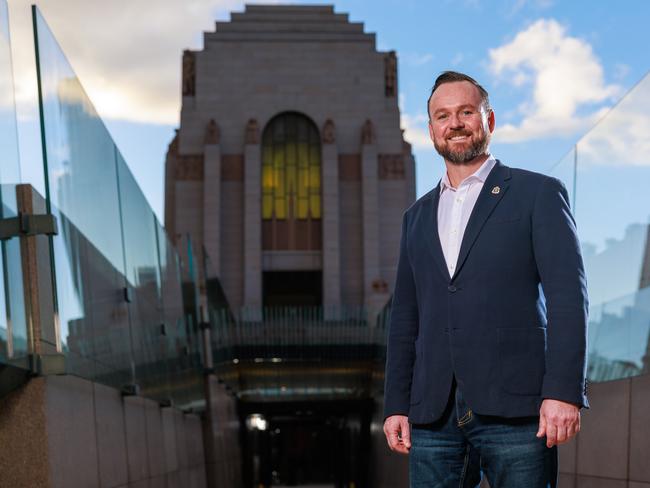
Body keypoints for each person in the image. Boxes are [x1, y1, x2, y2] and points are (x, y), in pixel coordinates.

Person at [383, 71, 589, 487]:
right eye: (442, 116)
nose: (454, 123)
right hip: (432, 414)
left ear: (488, 121)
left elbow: (568, 297)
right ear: (431, 130)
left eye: (465, 112)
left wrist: (564, 391)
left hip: (517, 408)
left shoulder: (538, 194)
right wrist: (396, 405)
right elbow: (406, 318)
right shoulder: (415, 218)